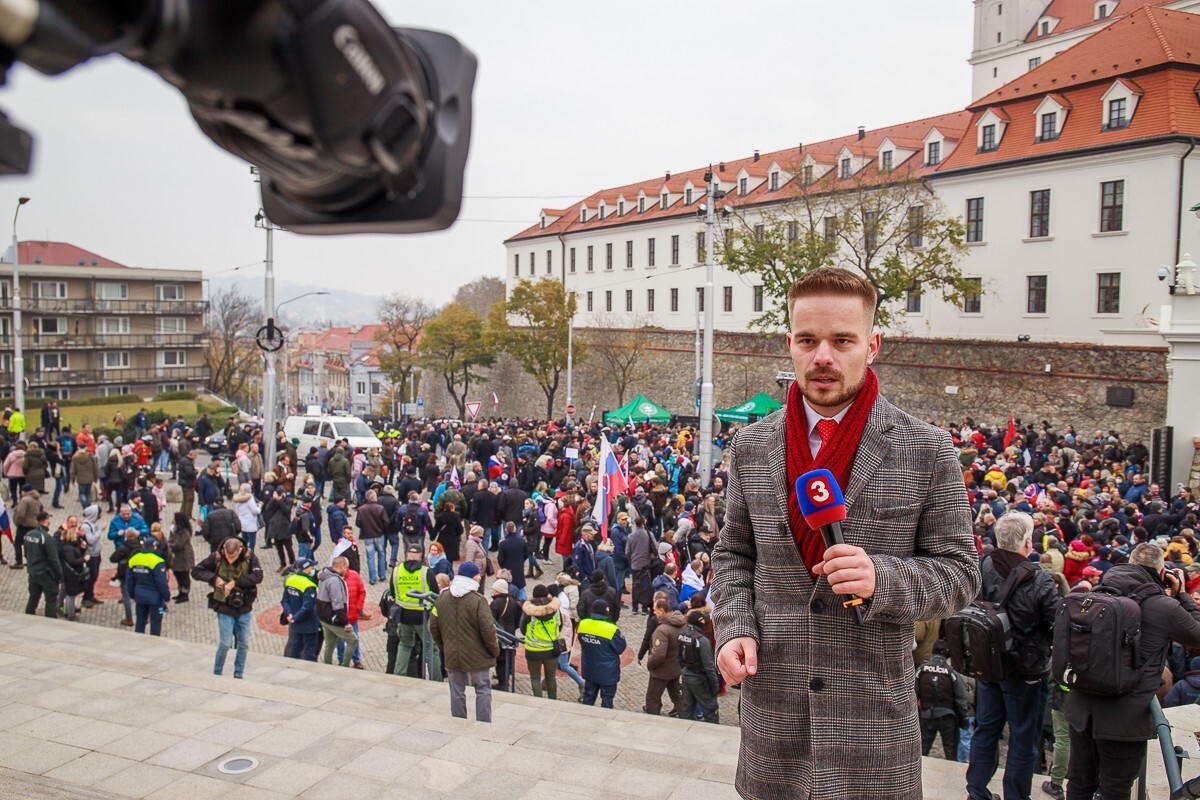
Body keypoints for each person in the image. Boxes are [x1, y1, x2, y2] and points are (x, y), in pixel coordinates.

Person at [709, 267, 980, 800]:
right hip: (775, 720)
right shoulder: (751, 446)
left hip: (873, 726)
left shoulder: (925, 448)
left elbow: (961, 575)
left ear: (871, 345)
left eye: (842, 340)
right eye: (808, 340)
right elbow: (734, 555)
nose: (823, 357)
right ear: (789, 344)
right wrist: (734, 627)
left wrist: (883, 576)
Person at [1064, 542, 1200, 799]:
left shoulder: (1095, 593)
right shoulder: (1164, 607)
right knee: (1115, 789)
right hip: (1125, 719)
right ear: (1162, 574)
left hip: (1082, 709)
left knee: (1080, 783)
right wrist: (1182, 595)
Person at [967, 512, 1060, 800]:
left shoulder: (982, 566)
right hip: (1025, 670)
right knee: (1022, 738)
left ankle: (977, 791)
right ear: (1028, 542)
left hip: (988, 663)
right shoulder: (1039, 580)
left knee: (986, 728)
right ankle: (1016, 796)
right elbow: (1057, 621)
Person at [430, 561, 500, 722]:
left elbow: (433, 626)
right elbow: (488, 630)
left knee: (456, 690)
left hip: (452, 652)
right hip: (478, 655)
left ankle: (458, 722)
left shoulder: (442, 597)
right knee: (482, 689)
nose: (479, 577)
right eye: (477, 575)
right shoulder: (479, 601)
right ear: (472, 577)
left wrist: (444, 646)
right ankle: (483, 724)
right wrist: (494, 650)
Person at [192, 537, 264, 679]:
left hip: (244, 606)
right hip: (224, 606)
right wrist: (214, 578)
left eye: (233, 556)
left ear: (240, 550)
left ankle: (238, 673)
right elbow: (195, 571)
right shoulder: (217, 556)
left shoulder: (249, 557)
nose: (230, 559)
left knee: (243, 643)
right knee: (225, 643)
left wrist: (236, 582)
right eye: (227, 555)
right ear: (224, 547)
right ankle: (217, 673)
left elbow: (258, 576)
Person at [390, 544, 441, 679]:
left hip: (404, 615)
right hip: (422, 616)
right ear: (421, 556)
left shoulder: (396, 571)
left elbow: (393, 592)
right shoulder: (425, 572)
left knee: (405, 645)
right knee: (431, 650)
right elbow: (436, 594)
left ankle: (398, 675)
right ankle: (436, 679)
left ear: (407, 554)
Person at [916, 640, 970, 760]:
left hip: (926, 716)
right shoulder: (952, 673)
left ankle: (918, 776)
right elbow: (960, 699)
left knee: (921, 752)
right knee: (951, 753)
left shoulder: (922, 670)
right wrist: (964, 720)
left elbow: (913, 693)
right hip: (948, 717)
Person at [578, 598, 626, 708]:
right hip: (607, 672)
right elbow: (620, 648)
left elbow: (582, 642)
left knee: (588, 699)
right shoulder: (611, 629)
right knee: (607, 700)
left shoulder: (583, 625)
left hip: (589, 669)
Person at [644, 597, 686, 717]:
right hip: (675, 668)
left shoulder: (662, 630)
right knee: (677, 696)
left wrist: (650, 664)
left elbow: (658, 654)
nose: (654, 613)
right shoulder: (681, 623)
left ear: (662, 610)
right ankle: (687, 718)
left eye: (655, 610)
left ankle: (653, 723)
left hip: (661, 672)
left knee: (653, 699)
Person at [520, 583, 562, 700]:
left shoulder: (529, 612)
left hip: (533, 650)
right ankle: (552, 700)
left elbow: (523, 629)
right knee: (551, 677)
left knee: (535, 677)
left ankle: (537, 701)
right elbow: (560, 625)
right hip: (551, 649)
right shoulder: (555, 610)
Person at [678, 608, 720, 723]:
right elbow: (709, 666)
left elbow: (679, 657)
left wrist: (685, 670)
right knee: (710, 710)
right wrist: (715, 686)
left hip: (686, 676)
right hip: (700, 679)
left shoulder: (682, 634)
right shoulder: (702, 640)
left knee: (687, 709)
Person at [126, 535, 171, 635]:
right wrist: (166, 597)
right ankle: (154, 642)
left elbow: (129, 580)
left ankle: (138, 641)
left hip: (139, 597)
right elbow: (161, 583)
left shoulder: (134, 559)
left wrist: (132, 594)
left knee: (140, 621)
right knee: (156, 621)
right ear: (154, 547)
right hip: (156, 600)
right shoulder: (157, 561)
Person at [317, 556, 357, 667]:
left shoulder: (323, 576)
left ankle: (327, 665)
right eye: (346, 567)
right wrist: (345, 622)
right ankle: (344, 666)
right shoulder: (334, 580)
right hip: (333, 618)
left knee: (330, 644)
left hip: (324, 616)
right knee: (352, 640)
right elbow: (337, 603)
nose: (347, 570)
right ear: (341, 566)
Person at [282, 558, 320, 661]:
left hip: (294, 623)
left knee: (295, 647)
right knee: (310, 651)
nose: (313, 569)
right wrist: (295, 617)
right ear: (306, 570)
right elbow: (308, 607)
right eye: (312, 567)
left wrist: (289, 614)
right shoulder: (309, 585)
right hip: (308, 623)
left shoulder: (290, 580)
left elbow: (285, 600)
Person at [23, 510, 60, 618]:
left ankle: (27, 618)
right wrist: (60, 575)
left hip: (33, 572)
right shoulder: (46, 538)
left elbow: (26, 553)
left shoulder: (28, 535)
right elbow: (54, 559)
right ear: (46, 520)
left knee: (33, 598)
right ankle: (49, 622)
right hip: (46, 574)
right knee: (51, 600)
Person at [167, 512, 195, 603]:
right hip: (176, 557)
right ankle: (180, 591)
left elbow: (179, 544)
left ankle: (185, 593)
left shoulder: (184, 531)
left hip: (183, 557)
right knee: (177, 574)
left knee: (184, 575)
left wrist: (168, 545)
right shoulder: (175, 529)